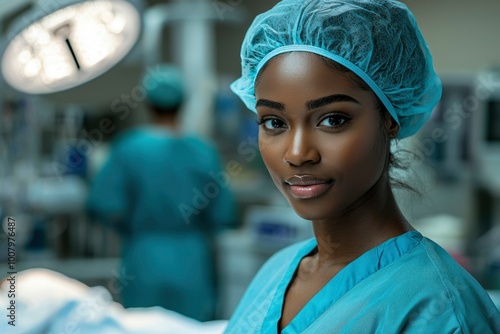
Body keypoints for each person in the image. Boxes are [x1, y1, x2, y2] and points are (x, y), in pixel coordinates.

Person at [224, 0, 500, 333]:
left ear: (390, 118)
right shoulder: (276, 272)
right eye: (273, 122)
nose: (297, 154)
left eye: (332, 119)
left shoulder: (438, 311)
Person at [86, 64, 237, 321]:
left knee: (144, 325)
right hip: (192, 261)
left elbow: (104, 205)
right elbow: (223, 215)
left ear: (147, 103)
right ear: (183, 102)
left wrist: (132, 227)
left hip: (144, 258)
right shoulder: (203, 151)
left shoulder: (129, 148)